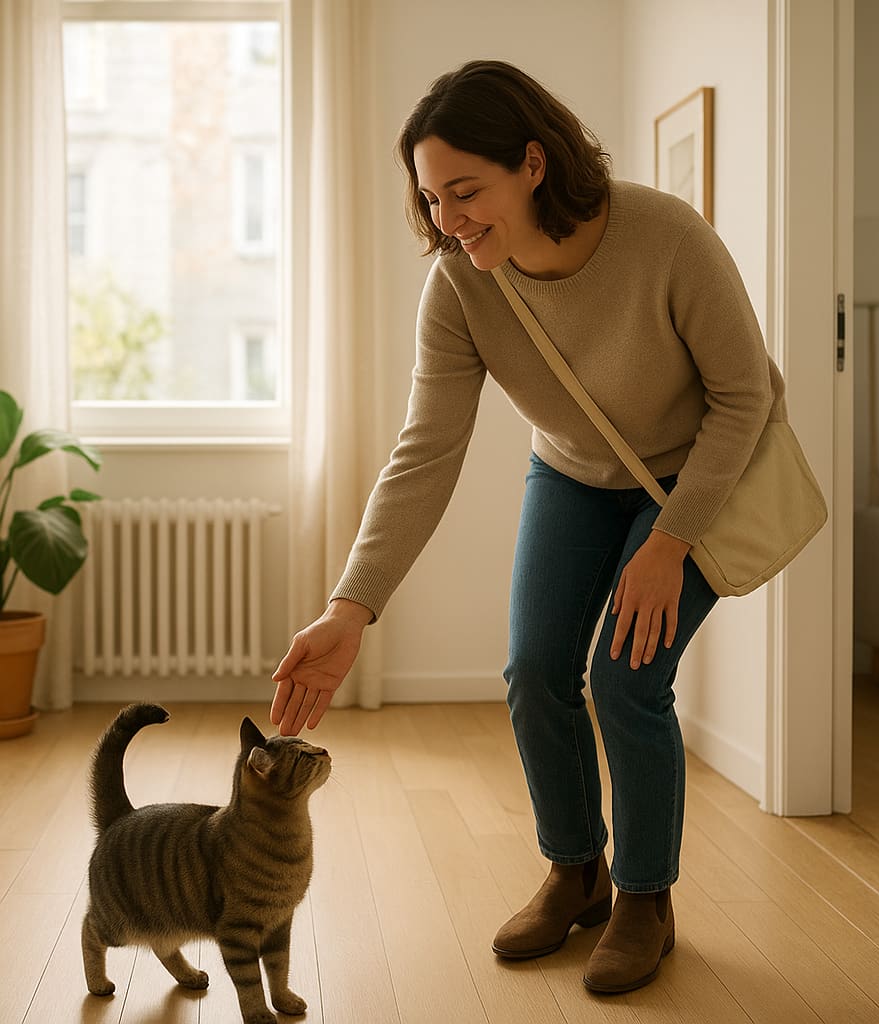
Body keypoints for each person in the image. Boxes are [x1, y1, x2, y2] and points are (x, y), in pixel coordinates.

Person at [270, 59, 786, 994]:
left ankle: (645, 899)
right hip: (573, 473)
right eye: (432, 200)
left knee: (626, 681)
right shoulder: (460, 286)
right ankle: (577, 872)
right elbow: (425, 451)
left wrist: (669, 542)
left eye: (466, 192)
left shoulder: (664, 234)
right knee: (535, 671)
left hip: (692, 477)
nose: (448, 221)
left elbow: (745, 396)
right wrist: (352, 607)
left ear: (534, 164)